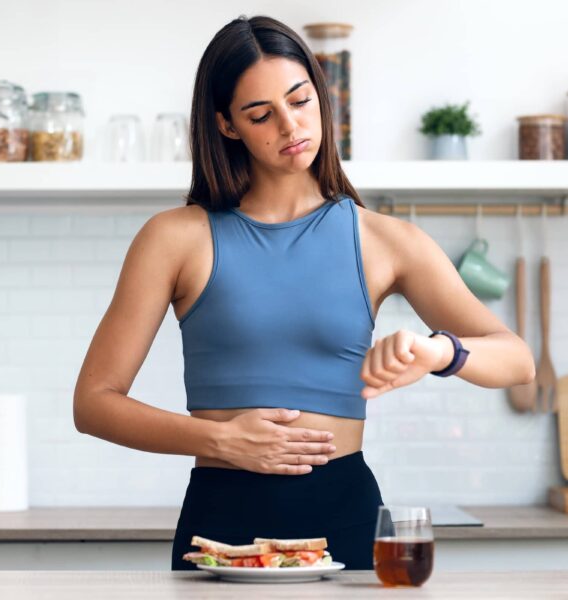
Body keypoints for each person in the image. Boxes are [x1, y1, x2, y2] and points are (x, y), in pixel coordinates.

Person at [73, 15, 536, 570]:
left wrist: (439, 351)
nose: (290, 126)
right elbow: (94, 402)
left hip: (346, 517)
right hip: (222, 523)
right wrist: (220, 440)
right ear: (226, 125)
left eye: (300, 100)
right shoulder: (174, 238)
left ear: (322, 97)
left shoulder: (386, 240)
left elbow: (518, 360)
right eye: (260, 114)